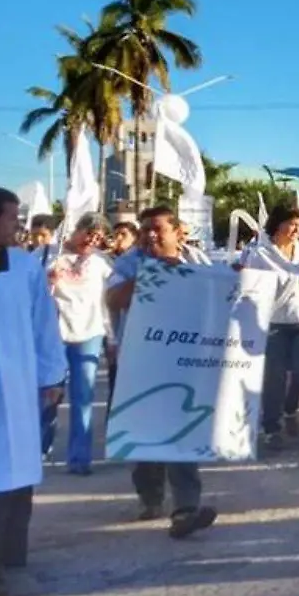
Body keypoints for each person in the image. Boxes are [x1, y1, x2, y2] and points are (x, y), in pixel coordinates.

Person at [0, 187, 67, 596]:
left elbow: (44, 323)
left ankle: (9, 559)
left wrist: (52, 377)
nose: (19, 225)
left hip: (19, 386)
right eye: (12, 217)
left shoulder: (25, 266)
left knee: (16, 475)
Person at [106, 206, 218, 539]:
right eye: (145, 230)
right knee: (146, 438)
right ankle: (150, 496)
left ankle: (185, 509)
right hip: (141, 363)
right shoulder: (128, 263)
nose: (150, 235)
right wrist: (152, 276)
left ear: (178, 232)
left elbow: (219, 296)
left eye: (158, 229)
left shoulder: (197, 261)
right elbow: (112, 298)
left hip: (185, 360)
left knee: (181, 434)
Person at [238, 206, 299, 448]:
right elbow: (247, 289)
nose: (297, 229)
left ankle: (290, 407)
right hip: (273, 323)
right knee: (274, 378)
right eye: (293, 224)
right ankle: (271, 427)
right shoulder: (260, 254)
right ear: (278, 225)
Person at [46, 214, 112, 475]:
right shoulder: (49, 256)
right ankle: (39, 449)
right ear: (76, 230)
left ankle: (79, 459)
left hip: (90, 335)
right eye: (88, 234)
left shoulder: (101, 263)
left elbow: (107, 301)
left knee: (83, 398)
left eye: (97, 238)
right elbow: (36, 298)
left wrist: (112, 338)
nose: (91, 241)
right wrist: (50, 281)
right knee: (48, 397)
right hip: (55, 335)